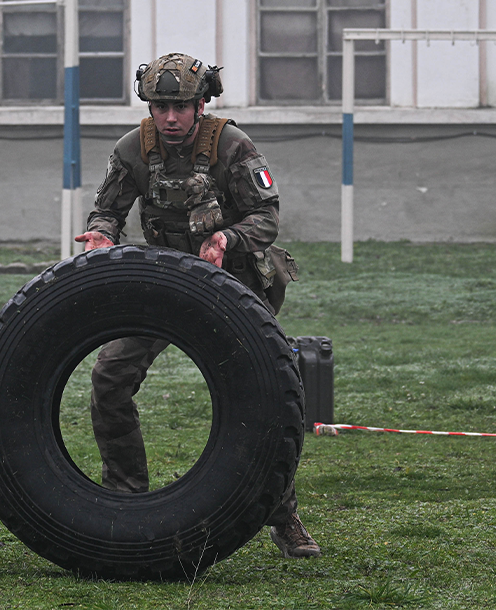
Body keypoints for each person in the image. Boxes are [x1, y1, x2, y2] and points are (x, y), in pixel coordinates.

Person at [73, 53, 319, 559]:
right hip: (166, 282)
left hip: (233, 285)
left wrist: (227, 238)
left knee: (264, 394)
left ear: (200, 104)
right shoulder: (133, 149)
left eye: (180, 107)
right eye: (160, 107)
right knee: (110, 377)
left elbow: (267, 216)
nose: (170, 118)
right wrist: (101, 235)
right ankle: (126, 499)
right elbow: (108, 210)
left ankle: (282, 513)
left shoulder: (232, 145)